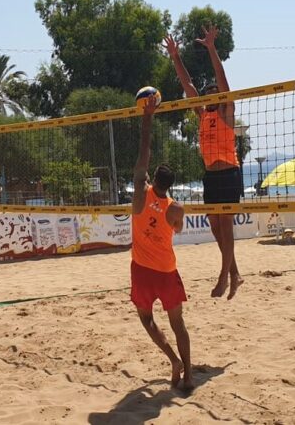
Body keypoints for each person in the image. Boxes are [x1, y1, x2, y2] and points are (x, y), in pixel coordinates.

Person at [163, 26, 244, 300]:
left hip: (229, 173)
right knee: (215, 227)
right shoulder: (202, 114)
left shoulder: (226, 111)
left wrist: (211, 48)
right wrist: (175, 57)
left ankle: (224, 276)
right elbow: (188, 85)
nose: (210, 95)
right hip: (211, 176)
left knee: (225, 223)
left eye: (214, 93)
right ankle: (235, 273)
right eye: (207, 92)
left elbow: (222, 80)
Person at [130, 95, 193, 391]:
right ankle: (189, 375)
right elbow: (178, 230)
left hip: (142, 270)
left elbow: (144, 152)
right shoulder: (176, 209)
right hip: (166, 271)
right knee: (178, 324)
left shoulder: (139, 196)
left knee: (146, 320)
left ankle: (173, 360)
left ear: (153, 177)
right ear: (171, 184)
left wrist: (147, 116)